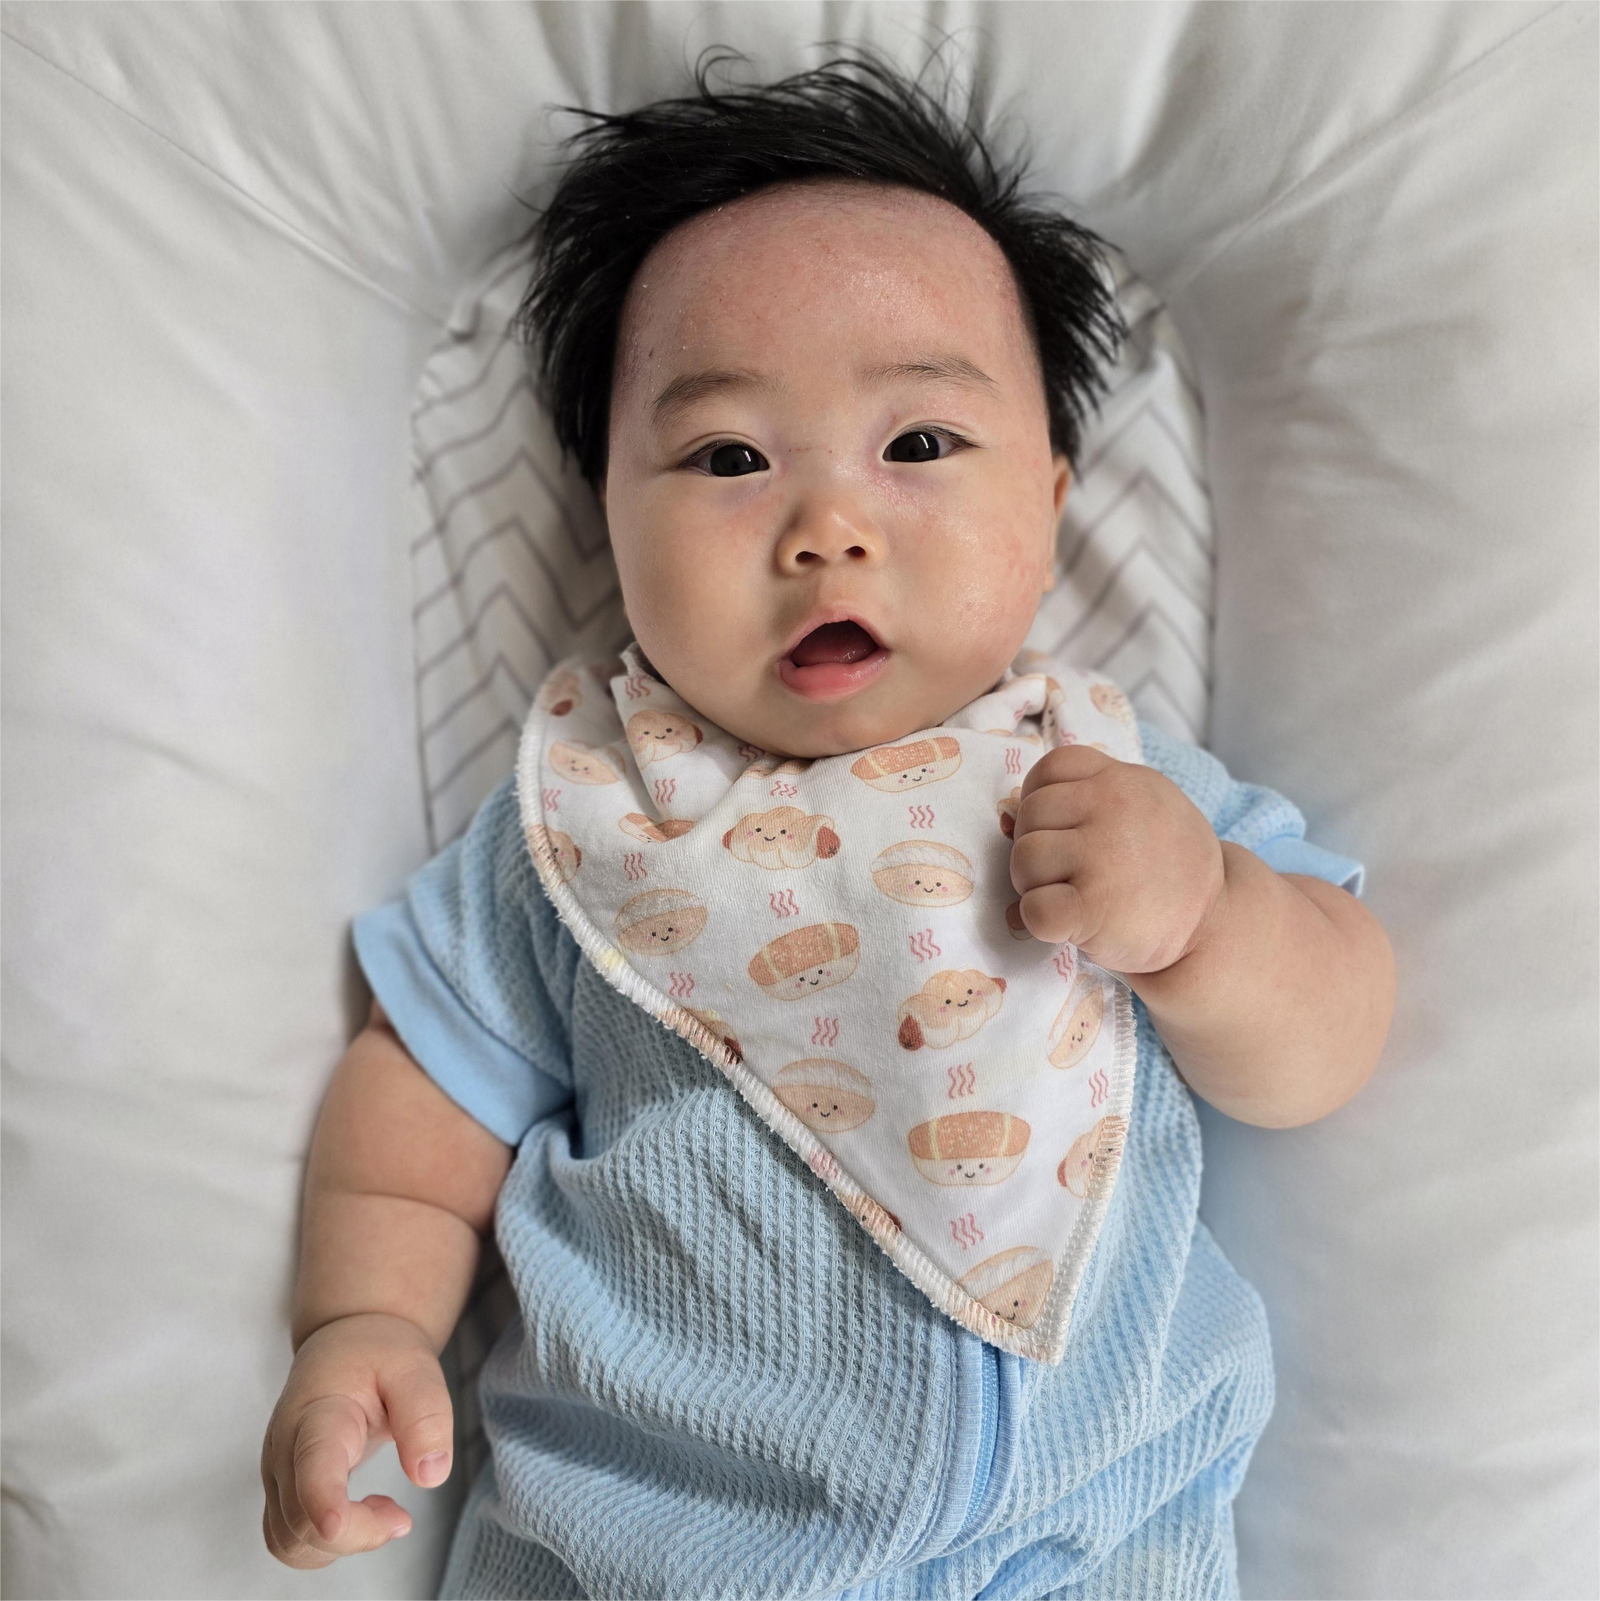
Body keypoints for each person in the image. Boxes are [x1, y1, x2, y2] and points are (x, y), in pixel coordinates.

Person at [260, 53, 1395, 1599]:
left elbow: (1329, 1035)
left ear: (1051, 500)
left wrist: (1208, 923)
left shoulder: (1119, 782)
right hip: (648, 1549)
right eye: (729, 459)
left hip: (1084, 1543)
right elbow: (413, 1121)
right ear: (609, 510)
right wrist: (365, 1327)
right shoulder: (585, 822)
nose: (827, 528)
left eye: (919, 447)